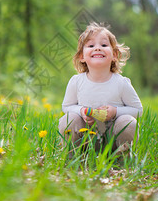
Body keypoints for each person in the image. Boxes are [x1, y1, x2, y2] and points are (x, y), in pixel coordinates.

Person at [59, 22, 143, 154]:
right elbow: (66, 106)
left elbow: (137, 110)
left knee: (129, 122)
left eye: (104, 45)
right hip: (85, 138)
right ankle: (72, 157)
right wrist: (81, 111)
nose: (97, 48)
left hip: (113, 140)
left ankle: (122, 160)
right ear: (82, 56)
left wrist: (115, 112)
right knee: (69, 119)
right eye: (91, 45)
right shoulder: (77, 81)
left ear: (114, 55)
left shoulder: (121, 83)